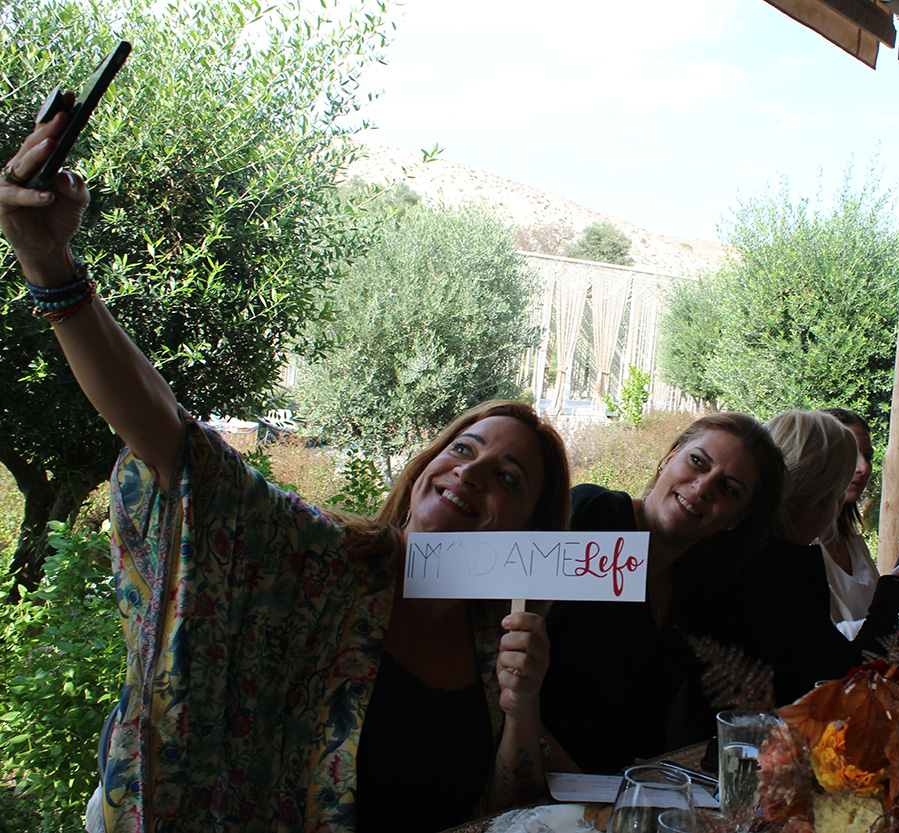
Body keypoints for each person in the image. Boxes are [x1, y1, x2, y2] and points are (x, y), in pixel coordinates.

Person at [2, 114, 571, 832]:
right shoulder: (317, 558)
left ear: (529, 528)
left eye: (509, 477)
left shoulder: (497, 644)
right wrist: (51, 267)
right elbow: (174, 446)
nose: (471, 473)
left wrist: (524, 708)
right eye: (462, 449)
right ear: (426, 464)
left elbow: (510, 815)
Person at [539, 412, 788, 774]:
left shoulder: (694, 587)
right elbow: (501, 665)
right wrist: (578, 781)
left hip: (624, 789)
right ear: (668, 458)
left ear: (737, 518)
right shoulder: (595, 517)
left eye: (729, 489)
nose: (703, 488)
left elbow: (668, 717)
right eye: (698, 462)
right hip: (542, 777)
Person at [689, 410, 899, 706]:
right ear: (825, 500)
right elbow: (846, 680)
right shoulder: (769, 574)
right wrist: (897, 588)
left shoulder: (742, 549)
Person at [819, 408, 880, 639]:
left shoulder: (851, 535)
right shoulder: (799, 543)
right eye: (850, 455)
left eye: (868, 456)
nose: (864, 468)